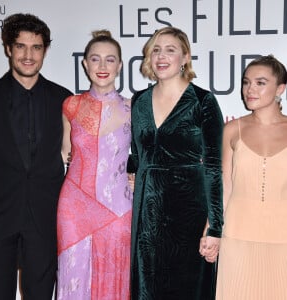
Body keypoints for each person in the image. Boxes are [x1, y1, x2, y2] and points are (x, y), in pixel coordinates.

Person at [130, 26, 224, 299]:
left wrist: (215, 226)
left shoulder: (202, 101)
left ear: (185, 57)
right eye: (156, 50)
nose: (161, 56)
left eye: (170, 50)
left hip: (189, 215)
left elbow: (214, 168)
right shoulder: (139, 101)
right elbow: (137, 157)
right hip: (147, 216)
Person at [0, 13, 72, 300]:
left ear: (45, 50)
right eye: (20, 46)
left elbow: (76, 154)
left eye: (36, 47)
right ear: (8, 48)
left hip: (45, 217)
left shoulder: (64, 99)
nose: (28, 55)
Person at [57, 30, 133, 299]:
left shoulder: (134, 107)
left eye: (110, 60)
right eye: (95, 59)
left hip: (118, 208)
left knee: (116, 273)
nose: (102, 67)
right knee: (74, 274)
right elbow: (66, 155)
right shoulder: (71, 105)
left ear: (120, 65)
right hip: (74, 207)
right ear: (85, 64)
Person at [216, 55, 287, 299]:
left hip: (283, 238)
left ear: (280, 88)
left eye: (260, 82)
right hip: (237, 237)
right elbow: (224, 186)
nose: (250, 89)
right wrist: (212, 230)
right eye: (247, 82)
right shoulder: (232, 130)